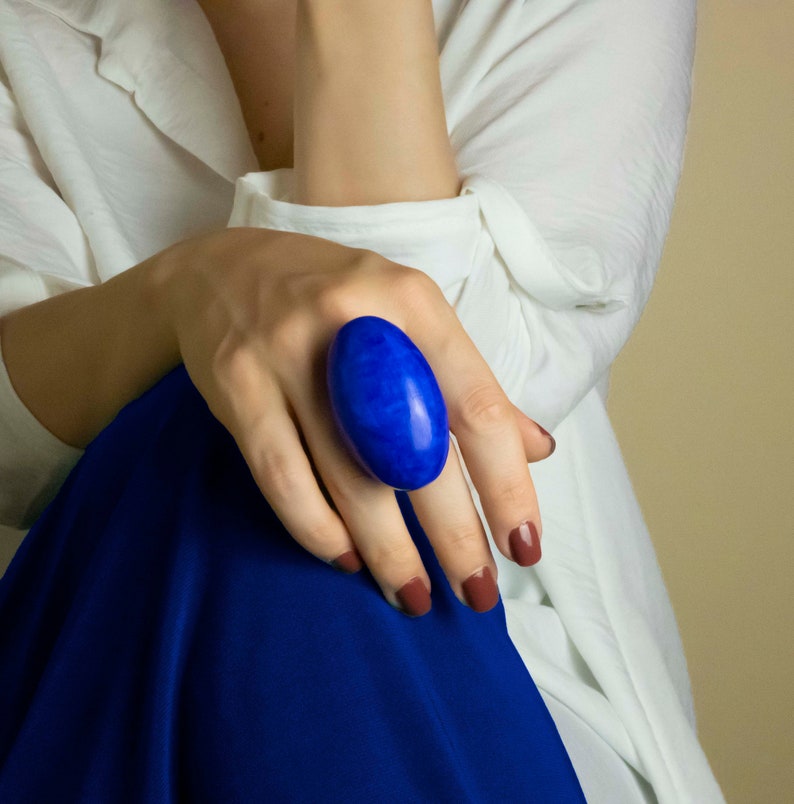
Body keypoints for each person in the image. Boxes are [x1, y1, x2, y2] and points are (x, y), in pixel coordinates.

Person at [0, 0, 724, 801]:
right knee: (237, 429)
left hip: (511, 669)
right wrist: (186, 293)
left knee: (293, 432)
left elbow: (453, 397)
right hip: (103, 656)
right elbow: (12, 452)